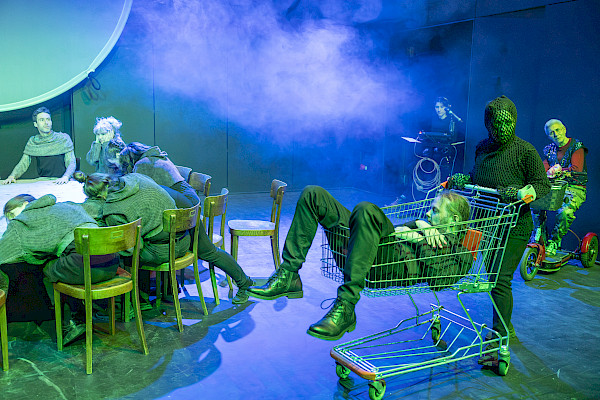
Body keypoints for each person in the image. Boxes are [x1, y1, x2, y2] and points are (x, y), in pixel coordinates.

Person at [247, 186, 472, 340]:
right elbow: (396, 231)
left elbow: (439, 280)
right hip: (367, 252)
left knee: (366, 209)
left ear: (454, 220)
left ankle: (346, 305)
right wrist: (419, 226)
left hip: (385, 266)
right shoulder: (424, 226)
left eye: (435, 211)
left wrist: (419, 239)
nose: (428, 214)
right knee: (313, 194)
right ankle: (289, 274)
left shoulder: (461, 253)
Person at [448, 95, 551, 361]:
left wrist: (521, 192)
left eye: (508, 122)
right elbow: (478, 177)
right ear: (488, 124)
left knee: (500, 280)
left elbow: (542, 185)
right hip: (487, 224)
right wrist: (463, 179)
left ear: (515, 121)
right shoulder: (482, 148)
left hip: (514, 227)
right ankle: (505, 326)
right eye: (497, 123)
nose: (502, 128)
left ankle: (499, 339)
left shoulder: (525, 151)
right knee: (493, 280)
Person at [74, 171, 254, 304]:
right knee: (210, 252)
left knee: (128, 252)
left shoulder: (114, 210)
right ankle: (244, 282)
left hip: (172, 240)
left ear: (99, 196)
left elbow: (132, 247)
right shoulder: (136, 177)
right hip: (187, 215)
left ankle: (138, 301)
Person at [0, 194, 120, 346]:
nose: (12, 219)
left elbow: (3, 253)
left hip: (86, 268)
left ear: (25, 204)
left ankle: (69, 323)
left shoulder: (23, 221)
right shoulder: (66, 205)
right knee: (60, 261)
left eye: (12, 213)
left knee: (45, 267)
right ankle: (79, 315)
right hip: (112, 263)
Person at [539, 119, 588, 256]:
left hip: (574, 188)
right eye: (551, 133)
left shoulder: (576, 146)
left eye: (557, 130)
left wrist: (558, 170)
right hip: (554, 188)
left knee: (565, 212)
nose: (556, 134)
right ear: (548, 136)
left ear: (564, 129)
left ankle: (554, 241)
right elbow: (544, 168)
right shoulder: (549, 150)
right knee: (534, 205)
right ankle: (539, 238)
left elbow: (576, 169)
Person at [1, 107, 76, 185]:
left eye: (48, 119)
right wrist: (12, 176)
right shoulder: (33, 142)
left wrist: (66, 176)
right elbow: (23, 163)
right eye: (42, 120)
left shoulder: (63, 139)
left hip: (63, 180)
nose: (46, 123)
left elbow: (71, 162)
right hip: (43, 182)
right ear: (35, 124)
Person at [118, 142, 199, 209]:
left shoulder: (142, 163)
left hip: (187, 205)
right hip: (193, 200)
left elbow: (135, 190)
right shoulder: (156, 157)